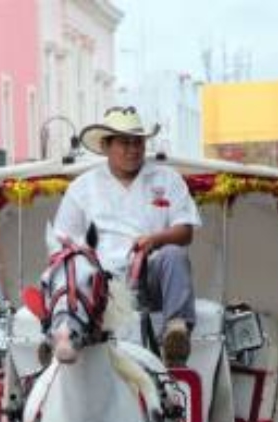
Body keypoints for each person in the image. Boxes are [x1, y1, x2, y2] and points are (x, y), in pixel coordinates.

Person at [53, 106, 202, 366]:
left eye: (138, 142)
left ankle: (176, 331)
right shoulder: (82, 188)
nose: (133, 149)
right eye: (125, 143)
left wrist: (154, 240)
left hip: (149, 275)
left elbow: (186, 230)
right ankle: (55, 342)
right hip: (99, 284)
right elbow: (62, 244)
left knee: (174, 255)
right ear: (106, 146)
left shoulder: (167, 179)